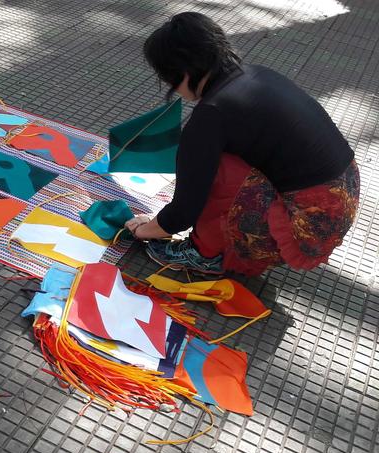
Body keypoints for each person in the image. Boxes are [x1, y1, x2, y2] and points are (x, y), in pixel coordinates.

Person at [124, 12, 359, 276]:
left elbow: (184, 212)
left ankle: (206, 255)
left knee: (215, 165)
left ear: (183, 73)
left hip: (307, 225)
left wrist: (145, 229)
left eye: (167, 78)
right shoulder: (256, 74)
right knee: (214, 154)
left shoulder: (212, 114)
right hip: (342, 197)